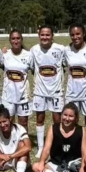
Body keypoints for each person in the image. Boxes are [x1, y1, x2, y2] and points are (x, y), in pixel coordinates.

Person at [32, 102, 86, 172]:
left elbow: (85, 152)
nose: (67, 118)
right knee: (35, 167)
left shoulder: (82, 130)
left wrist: (82, 171)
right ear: (61, 115)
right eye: (65, 115)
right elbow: (46, 149)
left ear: (76, 118)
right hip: (57, 165)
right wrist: (41, 162)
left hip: (74, 166)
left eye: (71, 116)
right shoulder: (53, 128)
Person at [30, 25, 66, 156]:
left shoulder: (60, 49)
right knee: (40, 119)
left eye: (47, 35)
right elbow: (30, 67)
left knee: (57, 120)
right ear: (39, 36)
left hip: (56, 91)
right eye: (42, 35)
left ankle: (57, 144)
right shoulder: (34, 50)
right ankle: (41, 147)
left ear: (52, 36)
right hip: (39, 92)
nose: (45, 37)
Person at [1, 29, 33, 130]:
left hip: (23, 95)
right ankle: (10, 143)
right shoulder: (4, 55)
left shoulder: (28, 55)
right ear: (10, 40)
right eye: (13, 39)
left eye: (18, 38)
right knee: (8, 121)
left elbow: (34, 70)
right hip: (8, 95)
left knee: (23, 122)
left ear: (21, 39)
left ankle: (23, 142)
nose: (16, 41)